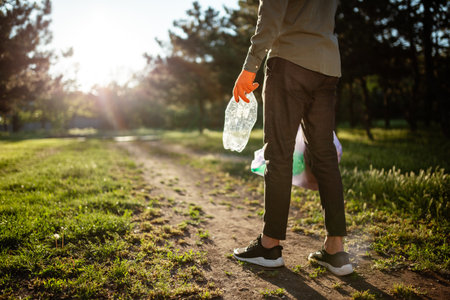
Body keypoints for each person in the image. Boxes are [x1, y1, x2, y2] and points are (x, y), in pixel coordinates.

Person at [232, 0, 353, 276]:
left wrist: (250, 67)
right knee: (323, 154)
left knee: (279, 153)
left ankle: (269, 245)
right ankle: (336, 250)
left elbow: (271, 17)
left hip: (289, 62)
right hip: (327, 66)